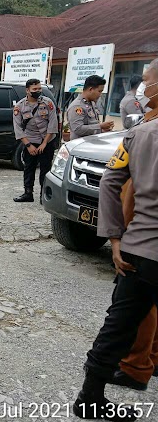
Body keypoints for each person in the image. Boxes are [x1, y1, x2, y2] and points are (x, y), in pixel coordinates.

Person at [73, 58, 158, 421]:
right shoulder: (141, 130)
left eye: (146, 81)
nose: (141, 88)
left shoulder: (140, 133)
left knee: (119, 323)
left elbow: (111, 180)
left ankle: (90, 397)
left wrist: (116, 238)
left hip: (139, 249)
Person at [12, 78, 58, 203]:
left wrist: (44, 143)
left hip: (47, 141)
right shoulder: (20, 106)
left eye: (39, 88)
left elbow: (53, 124)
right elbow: (18, 128)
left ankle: (44, 195)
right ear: (27, 90)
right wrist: (28, 145)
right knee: (29, 168)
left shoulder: (48, 103)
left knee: (45, 169)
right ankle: (28, 193)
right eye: (35, 89)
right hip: (30, 141)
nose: (38, 91)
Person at [67, 75, 114, 140]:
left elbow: (92, 126)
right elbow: (78, 129)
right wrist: (100, 126)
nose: (100, 95)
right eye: (99, 91)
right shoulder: (77, 106)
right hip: (80, 146)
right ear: (91, 89)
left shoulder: (92, 104)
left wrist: (103, 130)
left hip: (91, 144)